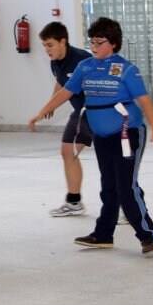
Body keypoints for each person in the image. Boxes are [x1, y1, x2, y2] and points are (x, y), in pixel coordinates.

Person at [29, 17, 153, 254]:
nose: (93, 47)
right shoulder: (86, 67)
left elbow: (144, 101)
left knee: (126, 188)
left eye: (99, 42)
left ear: (112, 43)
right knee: (108, 187)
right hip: (101, 135)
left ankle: (147, 235)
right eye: (91, 42)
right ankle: (103, 234)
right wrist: (42, 111)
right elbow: (66, 91)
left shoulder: (127, 70)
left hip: (127, 134)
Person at [38, 22, 93, 217]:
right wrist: (51, 103)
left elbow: (69, 90)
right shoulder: (55, 62)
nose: (47, 50)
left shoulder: (81, 59)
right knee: (67, 151)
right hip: (80, 112)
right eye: (44, 45)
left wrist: (46, 108)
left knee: (111, 160)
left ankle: (125, 206)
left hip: (96, 112)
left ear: (63, 42)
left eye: (50, 45)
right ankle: (74, 201)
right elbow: (61, 83)